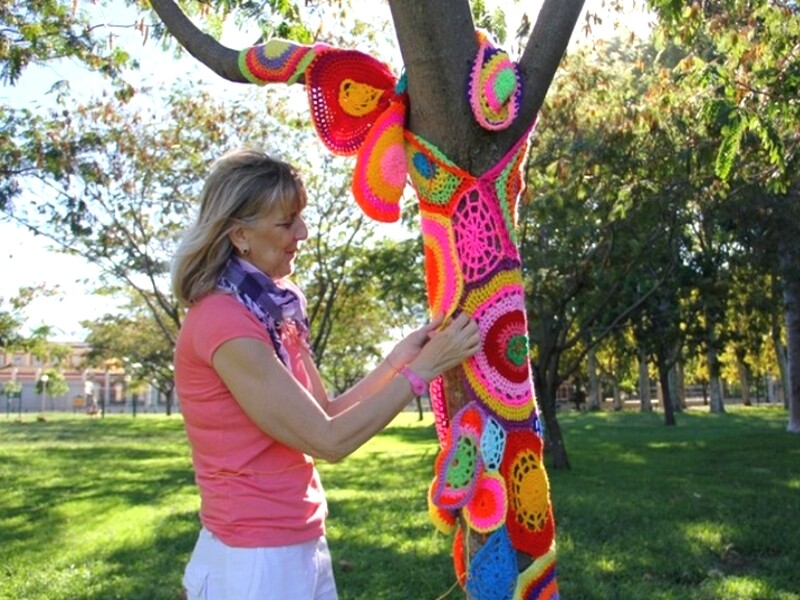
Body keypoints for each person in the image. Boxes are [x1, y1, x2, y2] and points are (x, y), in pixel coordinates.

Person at [170, 147, 480, 600]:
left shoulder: (273, 309)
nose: (303, 233)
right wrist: (423, 371)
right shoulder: (222, 320)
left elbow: (325, 411)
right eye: (286, 222)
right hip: (254, 558)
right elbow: (327, 440)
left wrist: (398, 360)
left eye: (301, 217)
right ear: (239, 235)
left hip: (299, 539)